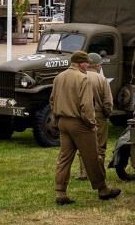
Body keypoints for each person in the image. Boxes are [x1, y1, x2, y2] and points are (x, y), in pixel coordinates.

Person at [51, 52, 120, 205]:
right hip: (80, 123)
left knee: (64, 158)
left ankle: (60, 192)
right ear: (81, 63)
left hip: (63, 121)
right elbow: (87, 106)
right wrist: (91, 124)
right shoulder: (83, 79)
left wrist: (57, 120)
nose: (88, 66)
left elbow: (52, 100)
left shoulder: (59, 77)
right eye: (86, 63)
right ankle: (103, 189)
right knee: (93, 157)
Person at [83, 51, 116, 169]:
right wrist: (107, 114)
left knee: (84, 144)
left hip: (82, 115)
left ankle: (84, 172)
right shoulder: (101, 79)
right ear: (97, 66)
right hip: (98, 115)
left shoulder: (79, 77)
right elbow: (108, 101)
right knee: (100, 146)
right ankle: (98, 170)